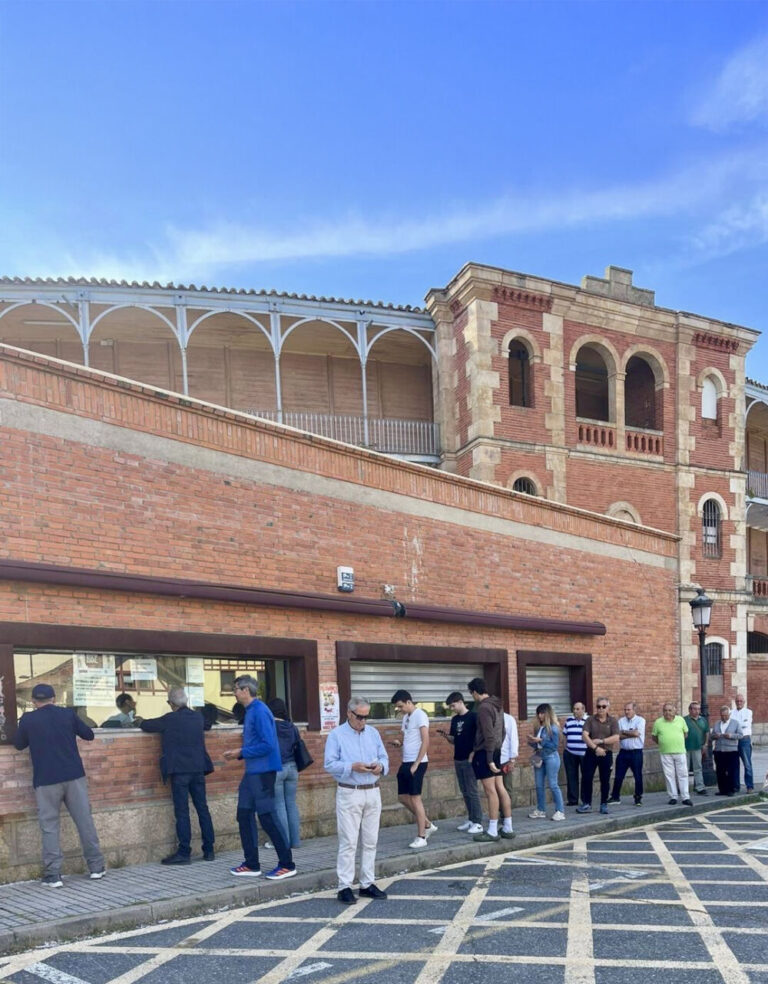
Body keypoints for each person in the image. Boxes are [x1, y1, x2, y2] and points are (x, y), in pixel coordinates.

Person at [13, 683, 105, 887]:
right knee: (84, 822)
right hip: (74, 776)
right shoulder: (67, 714)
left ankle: (53, 875)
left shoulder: (28, 719)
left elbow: (19, 744)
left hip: (46, 780)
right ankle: (96, 867)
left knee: (49, 827)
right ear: (53, 698)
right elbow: (89, 735)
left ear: (34, 701)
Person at [222, 675, 297, 880]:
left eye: (236, 689)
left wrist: (241, 751)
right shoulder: (251, 711)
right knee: (244, 815)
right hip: (252, 772)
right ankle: (251, 864)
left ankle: (287, 864)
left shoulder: (261, 711)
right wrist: (243, 752)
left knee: (267, 817)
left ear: (246, 690)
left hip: (263, 772)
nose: (234, 693)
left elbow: (268, 745)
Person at [324, 696, 389, 904]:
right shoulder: (336, 735)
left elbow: (384, 757)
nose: (363, 721)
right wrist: (352, 766)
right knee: (349, 841)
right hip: (349, 791)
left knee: (371, 840)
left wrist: (380, 766)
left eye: (366, 717)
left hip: (372, 790)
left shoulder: (373, 733)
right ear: (349, 713)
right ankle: (344, 886)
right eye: (359, 717)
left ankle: (367, 883)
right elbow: (329, 764)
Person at [140, 686, 215, 864]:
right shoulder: (198, 717)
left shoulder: (169, 719)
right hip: (198, 769)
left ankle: (184, 852)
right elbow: (208, 724)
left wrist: (139, 720)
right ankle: (209, 850)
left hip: (180, 771)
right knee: (202, 808)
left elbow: (146, 725)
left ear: (171, 703)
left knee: (182, 812)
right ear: (186, 701)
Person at [467, 677, 514, 842]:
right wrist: (496, 753)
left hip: (486, 752)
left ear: (474, 692)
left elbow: (488, 734)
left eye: (471, 694)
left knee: (490, 791)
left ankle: (493, 830)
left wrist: (488, 758)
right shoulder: (497, 705)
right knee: (500, 787)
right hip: (497, 750)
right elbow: (501, 732)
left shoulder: (484, 708)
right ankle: (508, 827)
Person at [390, 690, 437, 849]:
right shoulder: (406, 718)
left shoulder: (420, 715)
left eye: (401, 706)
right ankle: (428, 824)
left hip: (417, 762)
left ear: (409, 702)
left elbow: (425, 741)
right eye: (398, 707)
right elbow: (405, 737)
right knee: (403, 797)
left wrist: (417, 763)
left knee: (415, 798)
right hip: (406, 761)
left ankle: (422, 836)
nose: (400, 709)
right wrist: (399, 742)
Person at [437, 692, 483, 834]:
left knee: (472, 790)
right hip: (458, 758)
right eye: (450, 706)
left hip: (469, 759)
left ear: (461, 702)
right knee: (464, 791)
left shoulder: (474, 717)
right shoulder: (455, 719)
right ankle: (471, 819)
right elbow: (454, 739)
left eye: (453, 705)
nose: (452, 708)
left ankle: (478, 822)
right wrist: (446, 737)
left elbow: (479, 738)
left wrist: (473, 753)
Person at [267, 698, 302, 850]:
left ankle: (283, 842)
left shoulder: (270, 726)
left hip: (277, 769)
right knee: (291, 804)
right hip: (293, 768)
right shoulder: (291, 726)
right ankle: (295, 841)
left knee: (279, 804)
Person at [577, 697, 620, 814]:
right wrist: (595, 748)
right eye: (598, 706)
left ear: (608, 708)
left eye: (603, 706)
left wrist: (601, 742)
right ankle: (587, 804)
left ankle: (604, 804)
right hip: (591, 753)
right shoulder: (590, 720)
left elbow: (616, 737)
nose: (600, 709)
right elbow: (584, 736)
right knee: (587, 778)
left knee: (605, 780)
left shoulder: (613, 721)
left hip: (606, 753)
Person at [527, 703, 565, 821]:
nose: (539, 715)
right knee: (539, 785)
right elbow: (538, 743)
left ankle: (560, 811)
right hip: (540, 756)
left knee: (553, 784)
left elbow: (554, 745)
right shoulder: (540, 727)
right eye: (538, 713)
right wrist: (532, 741)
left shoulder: (553, 728)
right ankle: (541, 809)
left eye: (542, 713)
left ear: (547, 714)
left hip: (551, 757)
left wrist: (541, 741)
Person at [651, 702, 692, 805]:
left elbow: (685, 734)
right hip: (665, 752)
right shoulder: (658, 722)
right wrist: (664, 743)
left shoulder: (681, 720)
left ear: (675, 711)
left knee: (682, 774)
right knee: (669, 776)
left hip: (680, 751)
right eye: (665, 710)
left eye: (670, 710)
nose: (667, 713)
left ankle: (685, 797)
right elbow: (654, 737)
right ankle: (673, 796)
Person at [609, 701, 645, 806]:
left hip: (636, 753)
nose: (626, 712)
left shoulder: (640, 720)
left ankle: (638, 798)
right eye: (625, 710)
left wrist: (624, 732)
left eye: (629, 710)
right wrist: (630, 733)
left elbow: (637, 733)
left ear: (634, 710)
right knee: (619, 775)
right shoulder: (621, 721)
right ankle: (615, 797)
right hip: (623, 752)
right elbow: (618, 736)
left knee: (638, 776)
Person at [710, 704, 743, 796]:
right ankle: (722, 790)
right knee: (720, 771)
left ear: (729, 714)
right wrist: (715, 736)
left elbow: (740, 735)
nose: (724, 717)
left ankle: (731, 790)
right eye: (722, 716)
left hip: (731, 751)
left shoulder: (735, 723)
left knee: (731, 771)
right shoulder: (717, 723)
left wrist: (731, 736)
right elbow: (711, 736)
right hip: (719, 751)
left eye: (726, 715)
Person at [562, 701, 589, 807]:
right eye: (574, 709)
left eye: (577, 709)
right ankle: (573, 800)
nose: (575, 711)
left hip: (585, 753)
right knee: (571, 776)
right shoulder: (569, 720)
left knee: (586, 776)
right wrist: (565, 748)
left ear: (583, 710)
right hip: (570, 753)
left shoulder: (588, 721)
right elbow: (565, 735)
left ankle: (585, 799)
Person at [684, 701, 709, 796]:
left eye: (698, 709)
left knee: (698, 768)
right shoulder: (684, 720)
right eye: (694, 709)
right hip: (685, 748)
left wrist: (705, 744)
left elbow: (706, 732)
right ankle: (684, 788)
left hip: (698, 747)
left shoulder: (703, 720)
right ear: (690, 710)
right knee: (684, 769)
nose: (697, 711)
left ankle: (700, 787)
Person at [730, 694, 754, 792]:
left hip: (744, 740)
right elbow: (732, 725)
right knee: (734, 765)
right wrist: (738, 726)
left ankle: (749, 786)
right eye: (737, 701)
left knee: (747, 764)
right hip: (734, 741)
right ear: (735, 702)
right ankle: (736, 786)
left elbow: (745, 725)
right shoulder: (731, 712)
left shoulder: (749, 712)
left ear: (744, 702)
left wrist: (736, 726)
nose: (739, 703)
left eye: (741, 701)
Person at [500, 709, 519, 805]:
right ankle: (498, 812)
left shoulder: (508, 719)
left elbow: (513, 739)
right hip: (492, 759)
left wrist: (512, 759)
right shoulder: (488, 718)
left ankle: (506, 814)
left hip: (505, 759)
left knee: (507, 787)